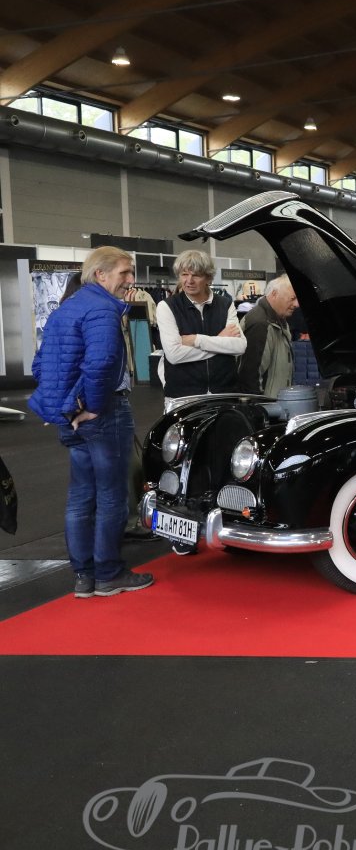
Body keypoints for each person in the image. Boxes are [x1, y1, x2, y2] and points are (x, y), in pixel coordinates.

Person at [28, 246, 153, 599]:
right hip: (104, 414)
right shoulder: (102, 309)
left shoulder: (66, 309)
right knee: (111, 495)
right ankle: (108, 573)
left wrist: (68, 405)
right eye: (124, 272)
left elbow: (40, 366)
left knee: (80, 495)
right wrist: (93, 406)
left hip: (72, 419)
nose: (131, 280)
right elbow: (100, 363)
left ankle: (84, 576)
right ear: (101, 274)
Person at [155, 249, 244, 412]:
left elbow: (239, 346)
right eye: (184, 274)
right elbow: (174, 355)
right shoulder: (167, 306)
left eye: (196, 275)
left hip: (224, 393)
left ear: (208, 278)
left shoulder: (225, 304)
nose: (189, 281)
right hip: (183, 396)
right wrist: (220, 342)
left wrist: (196, 340)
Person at [237, 275, 300, 397]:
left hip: (276, 403)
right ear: (274, 294)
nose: (296, 304)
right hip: (267, 405)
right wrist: (260, 406)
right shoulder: (261, 324)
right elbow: (250, 378)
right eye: (292, 298)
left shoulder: (278, 319)